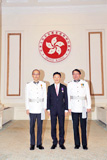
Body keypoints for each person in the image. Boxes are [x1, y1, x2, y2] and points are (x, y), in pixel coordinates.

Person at [67, 69, 91, 150]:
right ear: (72, 75)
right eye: (74, 74)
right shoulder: (69, 84)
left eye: (77, 74)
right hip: (74, 108)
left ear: (80, 75)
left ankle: (84, 144)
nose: (75, 75)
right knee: (75, 126)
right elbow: (68, 96)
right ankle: (77, 144)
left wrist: (89, 106)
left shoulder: (85, 83)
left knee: (83, 126)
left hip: (83, 107)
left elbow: (88, 95)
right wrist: (69, 107)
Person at [25, 69, 47, 150]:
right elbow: (26, 97)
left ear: (40, 75)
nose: (36, 75)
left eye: (37, 74)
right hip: (32, 108)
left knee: (40, 127)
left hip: (40, 108)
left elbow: (45, 96)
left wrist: (45, 107)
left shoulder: (43, 84)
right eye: (34, 74)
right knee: (32, 126)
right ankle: (32, 143)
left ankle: (39, 143)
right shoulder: (28, 85)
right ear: (32, 75)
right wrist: (27, 108)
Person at [47, 72, 68, 150]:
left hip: (61, 109)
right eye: (55, 77)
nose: (56, 78)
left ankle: (61, 142)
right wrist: (48, 109)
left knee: (62, 126)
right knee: (53, 126)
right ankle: (54, 142)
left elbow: (66, 99)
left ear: (60, 78)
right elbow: (48, 99)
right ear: (53, 78)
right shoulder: (50, 87)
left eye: (58, 77)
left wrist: (66, 109)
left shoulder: (64, 87)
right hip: (52, 110)